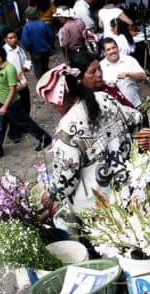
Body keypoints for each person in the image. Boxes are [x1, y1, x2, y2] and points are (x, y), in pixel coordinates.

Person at [37, 64, 142, 223]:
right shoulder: (103, 98)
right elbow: (136, 119)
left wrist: (51, 194)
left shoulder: (66, 130)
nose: (52, 107)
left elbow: (66, 179)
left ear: (61, 100)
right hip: (130, 184)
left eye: (51, 103)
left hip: (101, 205)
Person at [0, 46, 52, 158]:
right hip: (0, 103)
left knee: (26, 122)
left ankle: (44, 137)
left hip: (12, 104)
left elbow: (13, 90)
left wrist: (5, 106)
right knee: (0, 127)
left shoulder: (10, 69)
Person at [3, 29, 32, 143]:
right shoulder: (3, 52)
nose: (13, 39)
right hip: (12, 85)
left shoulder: (19, 50)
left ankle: (23, 126)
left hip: (23, 81)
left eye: (14, 37)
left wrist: (26, 67)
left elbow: (26, 60)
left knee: (26, 104)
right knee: (15, 108)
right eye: (10, 38)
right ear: (5, 39)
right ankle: (13, 132)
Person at [99, 38, 147, 108]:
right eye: (108, 49)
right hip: (115, 111)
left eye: (113, 48)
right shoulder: (100, 66)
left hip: (135, 105)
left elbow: (143, 76)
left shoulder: (129, 60)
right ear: (104, 52)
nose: (112, 51)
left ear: (118, 48)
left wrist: (128, 74)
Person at [21, 6, 53, 79]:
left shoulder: (27, 27)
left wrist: (29, 49)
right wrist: (49, 46)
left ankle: (42, 87)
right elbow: (50, 36)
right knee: (45, 68)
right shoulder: (43, 24)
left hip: (35, 53)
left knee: (39, 72)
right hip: (45, 51)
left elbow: (26, 42)